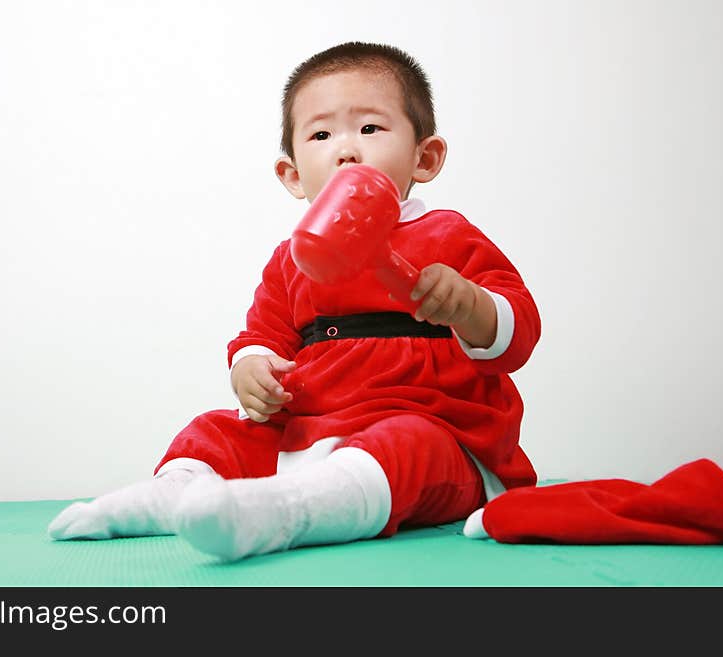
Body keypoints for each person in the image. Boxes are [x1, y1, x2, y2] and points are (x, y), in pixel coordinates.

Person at [48, 41, 541, 561]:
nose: (347, 149)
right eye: (322, 134)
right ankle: (176, 497)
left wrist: (470, 306)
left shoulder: (448, 236)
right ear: (293, 175)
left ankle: (287, 510)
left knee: (409, 445)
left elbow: (518, 332)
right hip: (313, 426)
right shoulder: (292, 258)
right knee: (216, 429)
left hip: (435, 427)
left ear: (425, 157)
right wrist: (251, 371)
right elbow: (261, 335)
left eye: (370, 128)